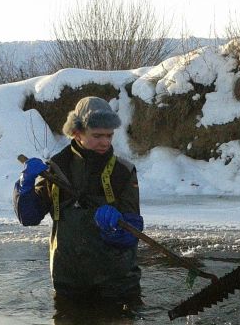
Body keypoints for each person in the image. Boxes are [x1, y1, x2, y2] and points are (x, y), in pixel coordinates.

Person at [13, 96, 143, 303]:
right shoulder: (55, 169)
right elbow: (28, 217)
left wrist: (115, 229)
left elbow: (133, 231)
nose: (105, 142)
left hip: (118, 287)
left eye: (109, 135)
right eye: (97, 135)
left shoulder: (123, 171)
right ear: (76, 133)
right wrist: (24, 185)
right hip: (68, 285)